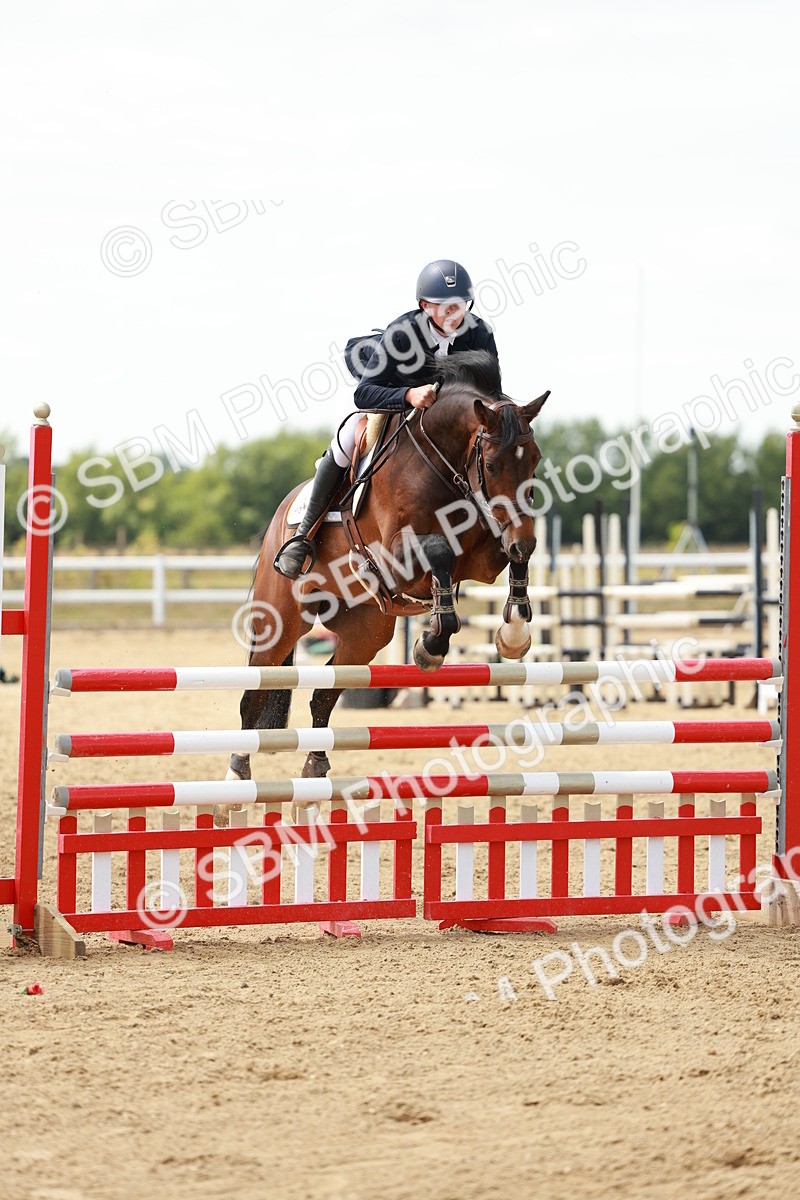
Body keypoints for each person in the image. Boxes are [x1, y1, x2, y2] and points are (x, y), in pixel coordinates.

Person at [274, 259, 499, 579]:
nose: (454, 314)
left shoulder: (480, 334)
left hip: (449, 422)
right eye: (444, 306)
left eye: (460, 305)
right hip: (395, 399)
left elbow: (492, 393)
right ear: (424, 305)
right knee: (349, 435)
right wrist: (408, 396)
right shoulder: (402, 335)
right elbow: (364, 393)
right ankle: (303, 536)